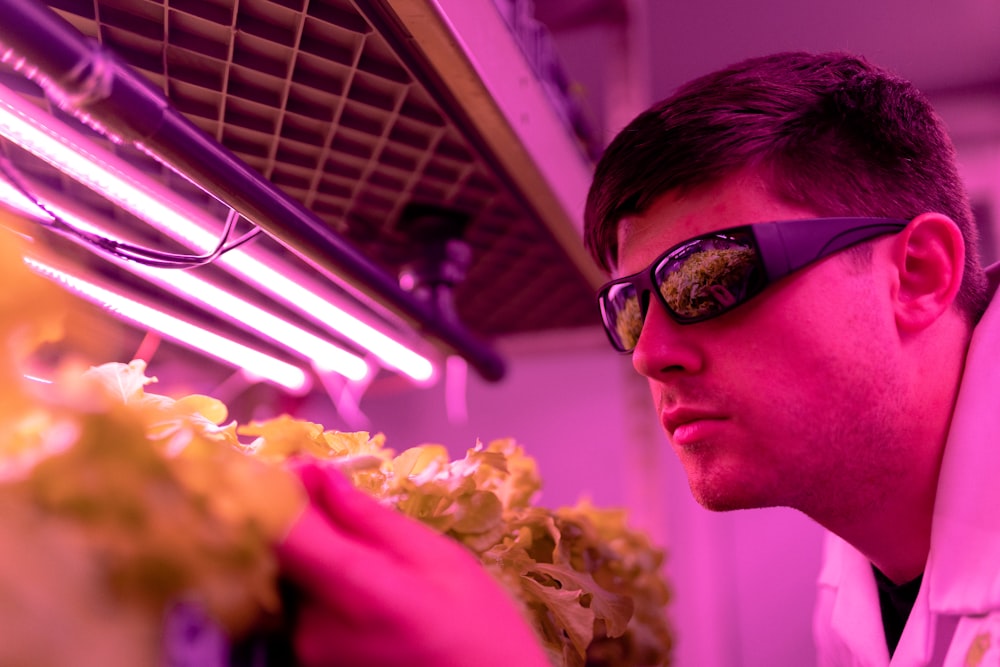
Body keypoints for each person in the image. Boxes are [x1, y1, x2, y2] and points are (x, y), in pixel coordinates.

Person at [276, 50, 1000, 667]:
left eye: (709, 278)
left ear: (918, 274)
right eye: (629, 307)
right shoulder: (864, 561)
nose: (650, 354)